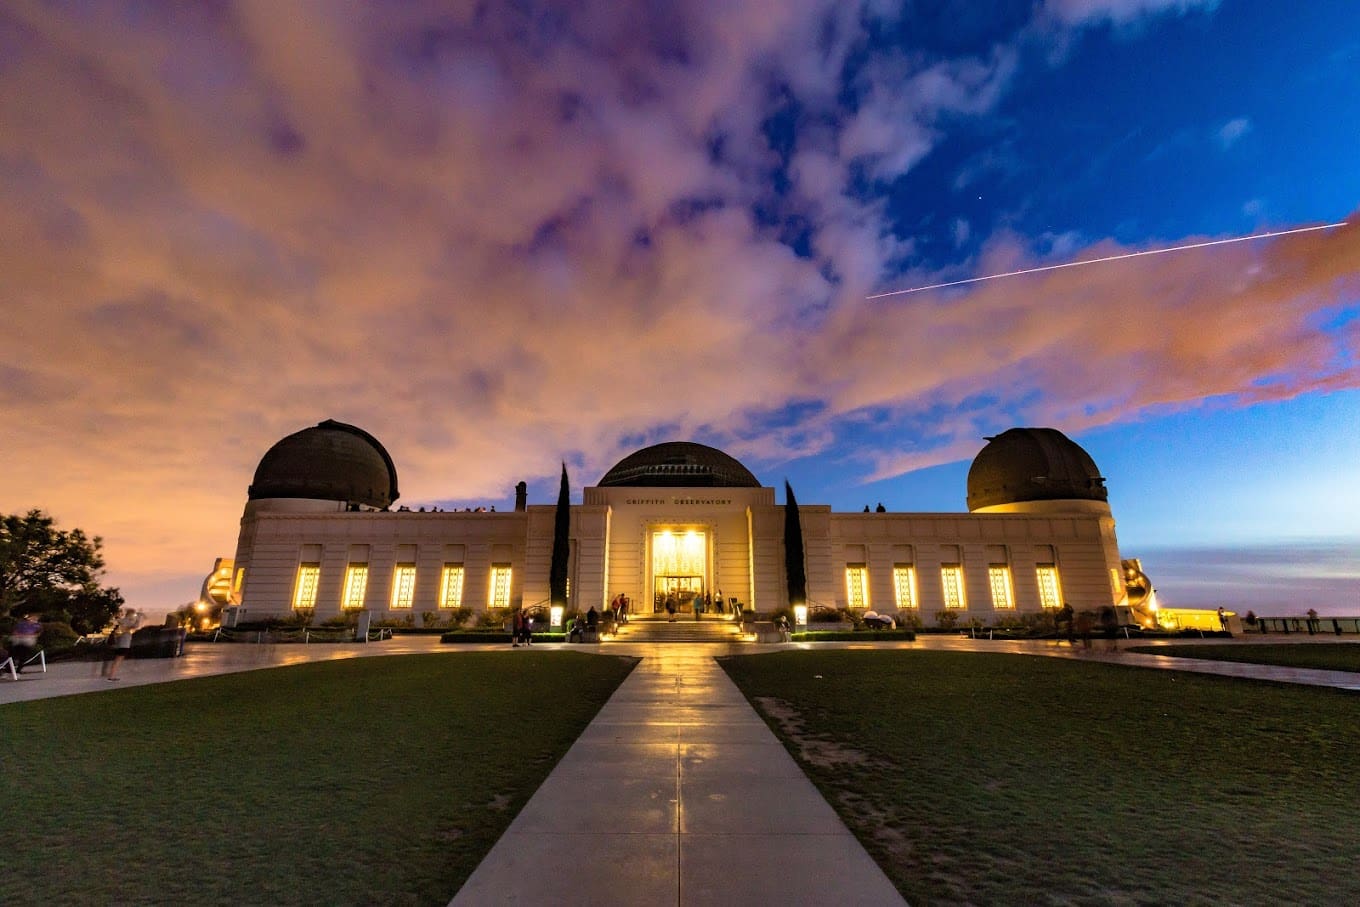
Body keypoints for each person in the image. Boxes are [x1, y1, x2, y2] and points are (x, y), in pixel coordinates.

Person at [106, 608, 141, 681]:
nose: (133, 616)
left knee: (117, 659)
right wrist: (139, 618)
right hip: (124, 643)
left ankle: (111, 675)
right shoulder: (127, 621)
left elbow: (115, 622)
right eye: (133, 615)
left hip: (120, 643)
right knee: (118, 660)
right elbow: (136, 626)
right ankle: (111, 676)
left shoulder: (122, 620)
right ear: (130, 614)